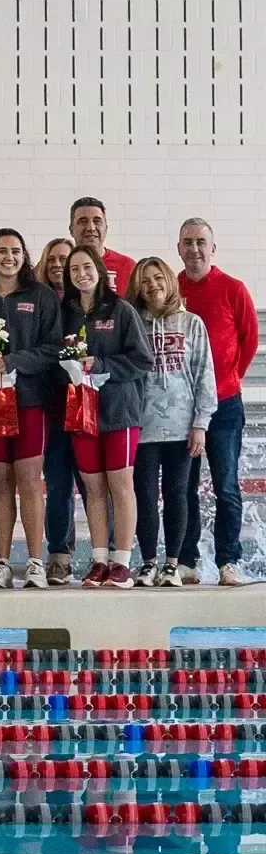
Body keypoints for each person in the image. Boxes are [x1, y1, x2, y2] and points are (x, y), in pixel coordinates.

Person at [0, 228, 62, 589]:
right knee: (1, 480)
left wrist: (15, 360)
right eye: (2, 251)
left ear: (25, 256)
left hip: (31, 401)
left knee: (29, 481)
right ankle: (2, 561)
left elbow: (54, 348)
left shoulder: (41, 296)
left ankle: (36, 561)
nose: (10, 257)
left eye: (17, 251)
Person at [61, 246, 154, 588]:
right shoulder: (65, 313)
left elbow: (143, 360)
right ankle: (100, 560)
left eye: (87, 267)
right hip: (81, 411)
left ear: (99, 270)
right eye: (74, 269)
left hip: (119, 412)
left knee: (120, 485)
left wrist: (101, 367)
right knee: (93, 486)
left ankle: (123, 563)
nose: (81, 273)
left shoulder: (121, 311)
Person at [177, 218, 255, 586]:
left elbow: (248, 340)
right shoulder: (170, 289)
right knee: (183, 486)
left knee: (226, 485)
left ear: (212, 248)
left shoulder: (233, 289)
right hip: (180, 409)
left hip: (224, 405)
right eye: (188, 242)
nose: (194, 249)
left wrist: (225, 380)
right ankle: (187, 560)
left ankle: (229, 560)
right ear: (179, 249)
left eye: (201, 242)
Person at [131, 257, 216, 588]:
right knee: (145, 494)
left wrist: (201, 423)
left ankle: (172, 564)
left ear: (168, 279)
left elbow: (203, 373)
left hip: (182, 426)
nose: (152, 285)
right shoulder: (133, 322)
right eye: (144, 280)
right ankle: (149, 561)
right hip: (142, 426)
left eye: (156, 277)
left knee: (178, 493)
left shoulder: (191, 323)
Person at [38, 234, 81, 582]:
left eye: (64, 259)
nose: (57, 264)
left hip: (89, 405)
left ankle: (109, 553)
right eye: (51, 258)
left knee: (97, 485)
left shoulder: (89, 307)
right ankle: (59, 554)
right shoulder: (38, 302)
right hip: (51, 408)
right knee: (57, 483)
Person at [69, 197, 136, 295]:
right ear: (71, 230)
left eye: (97, 221)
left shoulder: (127, 266)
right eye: (83, 221)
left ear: (106, 229)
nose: (91, 228)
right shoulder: (57, 266)